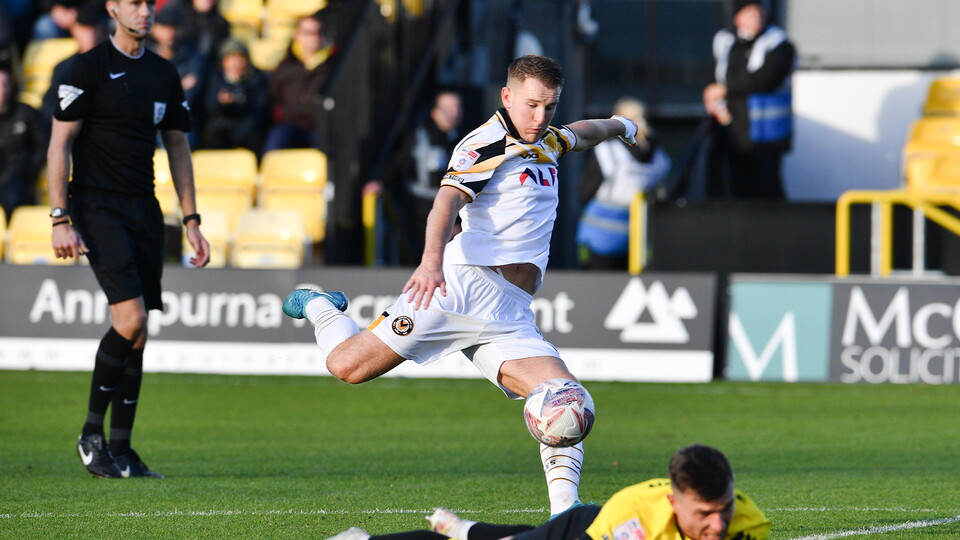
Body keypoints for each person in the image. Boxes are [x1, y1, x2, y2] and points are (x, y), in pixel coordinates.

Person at [282, 55, 639, 515]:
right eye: (531, 105)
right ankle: (320, 305)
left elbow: (583, 133)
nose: (540, 117)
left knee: (565, 399)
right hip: (459, 289)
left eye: (549, 107)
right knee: (348, 368)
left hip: (509, 313)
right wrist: (431, 264)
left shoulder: (548, 140)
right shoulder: (483, 144)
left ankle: (564, 516)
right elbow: (444, 203)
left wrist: (619, 125)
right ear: (507, 97)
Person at [47, 0, 211, 479]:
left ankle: (123, 449)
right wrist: (60, 218)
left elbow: (178, 146)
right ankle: (91, 435)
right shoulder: (86, 67)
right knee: (130, 318)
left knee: (140, 333)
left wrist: (191, 219)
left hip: (144, 209)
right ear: (112, 8)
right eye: (134, 3)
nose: (145, 11)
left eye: (149, 3)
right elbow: (60, 144)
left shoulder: (162, 73)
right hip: (97, 207)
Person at [326, 444, 771, 540]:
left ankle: (465, 528)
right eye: (706, 514)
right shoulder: (633, 522)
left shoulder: (751, 527)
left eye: (726, 509)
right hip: (590, 528)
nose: (719, 524)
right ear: (674, 503)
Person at [702, 0, 796, 200]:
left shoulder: (779, 43)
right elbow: (715, 76)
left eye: (758, 13)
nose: (756, 18)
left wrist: (724, 90)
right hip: (733, 131)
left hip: (767, 136)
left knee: (767, 187)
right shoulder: (725, 41)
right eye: (749, 13)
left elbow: (765, 79)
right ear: (737, 17)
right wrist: (713, 95)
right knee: (738, 186)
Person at [576, 97, 670, 270]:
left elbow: (586, 190)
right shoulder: (659, 156)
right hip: (638, 238)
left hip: (599, 237)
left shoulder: (608, 150)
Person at [392, 89, 464, 262]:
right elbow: (397, 165)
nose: (453, 113)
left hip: (455, 212)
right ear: (435, 111)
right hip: (420, 211)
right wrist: (378, 182)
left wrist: (459, 223)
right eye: (448, 108)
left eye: (457, 107)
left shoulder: (466, 140)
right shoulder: (419, 137)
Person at [263, 10, 335, 153]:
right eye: (309, 33)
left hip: (320, 126)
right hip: (291, 125)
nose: (315, 37)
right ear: (297, 35)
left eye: (318, 32)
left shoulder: (331, 64)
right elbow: (274, 93)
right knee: (276, 141)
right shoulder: (286, 66)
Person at [199, 38, 270, 154]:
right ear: (223, 61)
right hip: (222, 129)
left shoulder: (257, 79)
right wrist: (222, 104)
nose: (237, 63)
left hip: (247, 129)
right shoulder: (214, 79)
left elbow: (260, 110)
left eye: (241, 58)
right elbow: (208, 107)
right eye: (232, 58)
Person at [0, 67, 47, 220]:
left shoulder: (26, 112)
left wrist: (31, 170)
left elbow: (44, 144)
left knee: (11, 198)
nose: (2, 90)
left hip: (18, 179)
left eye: (5, 84)